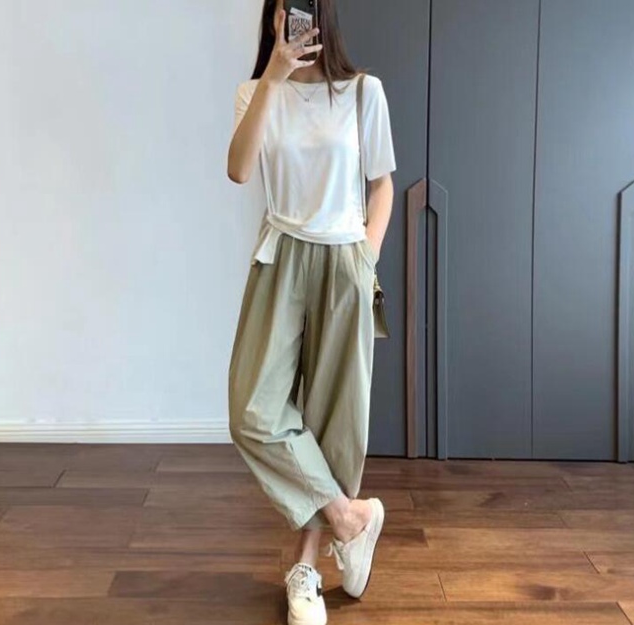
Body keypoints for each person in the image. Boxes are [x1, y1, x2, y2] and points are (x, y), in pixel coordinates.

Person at [226, 1, 396, 623]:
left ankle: (306, 568)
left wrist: (364, 259)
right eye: (284, 9)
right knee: (253, 411)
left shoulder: (363, 92)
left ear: (324, 17)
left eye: (304, 8)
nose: (294, 20)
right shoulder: (255, 92)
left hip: (344, 256)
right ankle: (351, 518)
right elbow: (238, 170)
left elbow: (382, 184)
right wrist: (274, 75)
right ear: (273, 19)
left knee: (333, 419)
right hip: (280, 255)